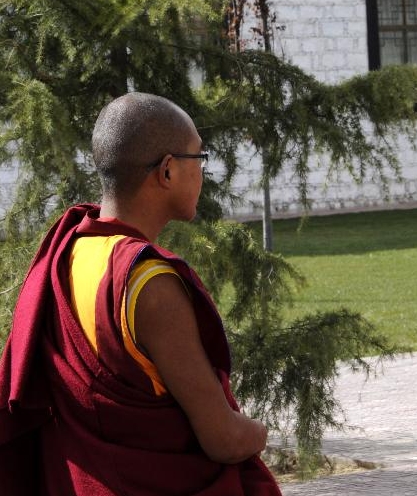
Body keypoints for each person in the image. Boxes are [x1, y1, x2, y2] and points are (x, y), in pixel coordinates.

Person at [0, 93, 281, 495]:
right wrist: (259, 432)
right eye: (198, 159)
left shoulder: (71, 249)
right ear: (167, 172)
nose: (203, 172)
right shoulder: (148, 283)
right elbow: (224, 440)